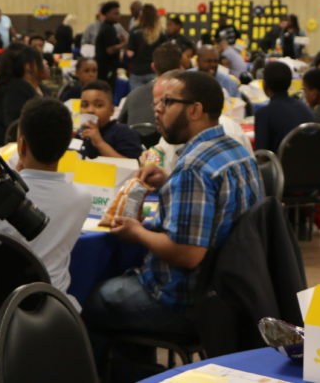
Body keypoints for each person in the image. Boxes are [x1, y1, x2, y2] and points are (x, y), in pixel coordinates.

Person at [82, 70, 262, 380]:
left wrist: (138, 233)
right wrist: (168, 182)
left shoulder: (193, 167)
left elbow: (187, 254)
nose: (157, 109)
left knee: (93, 298)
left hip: (185, 302)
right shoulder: (235, 151)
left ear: (195, 110)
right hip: (232, 292)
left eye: (167, 102)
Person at [0, 97, 91, 307]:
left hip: (3, 304)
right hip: (55, 304)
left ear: (21, 145)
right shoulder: (82, 198)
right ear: (67, 146)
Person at [0, 44, 48, 148]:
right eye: (40, 60)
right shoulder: (15, 91)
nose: (45, 62)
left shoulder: (40, 87)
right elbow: (17, 130)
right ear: (28, 67)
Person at [254, 60, 313, 153]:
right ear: (290, 84)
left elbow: (261, 154)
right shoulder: (304, 108)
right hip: (311, 161)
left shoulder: (264, 114)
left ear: (264, 85)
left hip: (280, 162)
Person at [118, 42, 183, 125]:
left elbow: (121, 124)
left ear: (153, 66)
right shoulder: (187, 95)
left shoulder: (133, 95)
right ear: (180, 67)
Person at [78, 80, 142, 159]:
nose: (90, 110)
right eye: (85, 105)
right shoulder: (80, 134)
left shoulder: (124, 133)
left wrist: (99, 143)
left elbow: (133, 164)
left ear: (112, 110)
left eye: (98, 105)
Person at [128, 4, 164, 90]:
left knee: (137, 97)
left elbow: (130, 54)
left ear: (141, 16)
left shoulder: (134, 31)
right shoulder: (161, 33)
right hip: (154, 70)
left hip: (137, 72)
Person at [96, 1, 128, 90]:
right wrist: (124, 44)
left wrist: (119, 42)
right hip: (106, 68)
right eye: (115, 13)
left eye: (119, 13)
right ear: (107, 14)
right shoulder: (108, 29)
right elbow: (109, 50)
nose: (118, 16)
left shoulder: (109, 27)